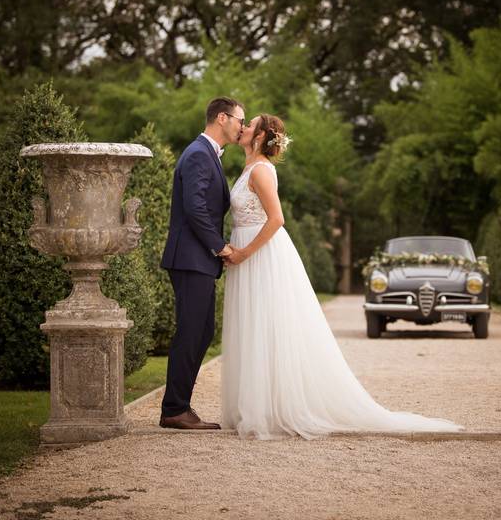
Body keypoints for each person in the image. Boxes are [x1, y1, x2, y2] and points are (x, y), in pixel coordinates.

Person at [221, 114, 462, 439]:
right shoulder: (249, 168)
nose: (244, 127)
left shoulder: (262, 170)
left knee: (265, 325)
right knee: (253, 326)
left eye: (250, 124)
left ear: (261, 136)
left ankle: (267, 410)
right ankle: (254, 405)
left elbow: (277, 219)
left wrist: (244, 253)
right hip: (246, 249)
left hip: (259, 254)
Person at [158, 97, 246, 430]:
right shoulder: (198, 154)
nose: (242, 125)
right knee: (192, 332)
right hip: (191, 258)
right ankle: (174, 409)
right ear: (222, 118)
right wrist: (221, 248)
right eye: (240, 119)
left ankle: (178, 406)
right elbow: (194, 209)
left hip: (196, 260)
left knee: (202, 330)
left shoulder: (206, 154)